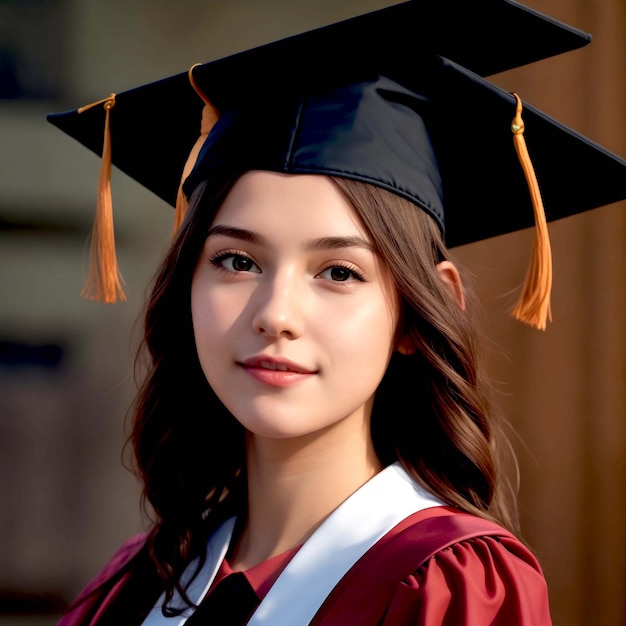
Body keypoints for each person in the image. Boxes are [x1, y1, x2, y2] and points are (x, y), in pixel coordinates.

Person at [48, 2, 626, 625]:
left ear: (416, 313)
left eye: (339, 273)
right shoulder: (135, 587)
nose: (276, 314)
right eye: (237, 262)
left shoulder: (449, 584)